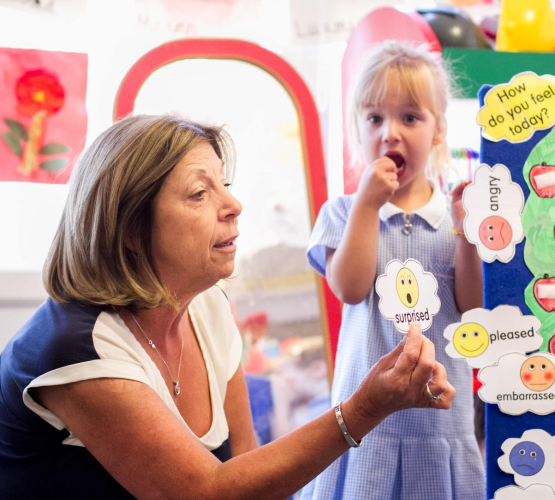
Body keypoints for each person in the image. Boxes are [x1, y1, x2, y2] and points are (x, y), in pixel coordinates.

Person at [0, 114, 456, 500]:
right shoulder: (77, 350)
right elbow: (207, 491)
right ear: (130, 230)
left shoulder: (207, 308)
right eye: (200, 194)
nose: (234, 205)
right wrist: (364, 407)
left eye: (225, 185)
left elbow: (245, 464)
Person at [301, 42, 485, 500]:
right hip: (364, 428)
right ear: (357, 131)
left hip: (442, 425)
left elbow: (474, 305)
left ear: (438, 130)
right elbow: (348, 287)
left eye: (410, 117)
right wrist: (367, 204)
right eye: (375, 119)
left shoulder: (454, 216)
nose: (390, 133)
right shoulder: (342, 214)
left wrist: (467, 234)